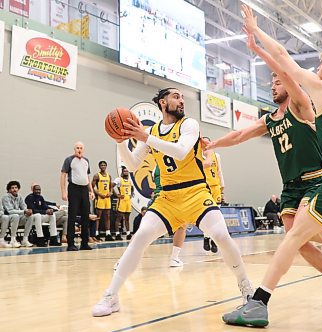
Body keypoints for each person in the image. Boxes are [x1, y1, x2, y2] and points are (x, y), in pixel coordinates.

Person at [222, 6, 322, 326]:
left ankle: (258, 303)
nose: (316, 68)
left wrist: (256, 31)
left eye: (319, 64)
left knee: (294, 236)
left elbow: (283, 57)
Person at [92, 87, 253, 317]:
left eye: (182, 97)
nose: (181, 101)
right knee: (140, 236)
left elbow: (180, 152)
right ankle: (111, 296)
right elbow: (134, 165)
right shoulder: (152, 131)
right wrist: (120, 141)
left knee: (221, 235)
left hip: (196, 192)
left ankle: (246, 287)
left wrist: (145, 137)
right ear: (162, 102)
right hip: (167, 197)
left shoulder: (189, 125)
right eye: (175, 97)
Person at [60, 141, 95, 251]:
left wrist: (91, 191)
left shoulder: (86, 161)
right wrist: (63, 192)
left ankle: (84, 242)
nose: (79, 150)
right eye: (77, 148)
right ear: (74, 149)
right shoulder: (69, 160)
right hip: (73, 188)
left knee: (86, 215)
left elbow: (87, 177)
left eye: (81, 148)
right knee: (72, 215)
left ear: (83, 149)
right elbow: (63, 175)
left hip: (84, 189)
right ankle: (71, 243)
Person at [151, 165, 186, 267]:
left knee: (144, 231)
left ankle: (123, 260)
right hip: (174, 197)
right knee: (181, 227)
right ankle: (174, 258)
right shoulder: (177, 161)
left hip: (159, 198)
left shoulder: (155, 167)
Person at [202, 143, 225, 254]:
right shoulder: (196, 156)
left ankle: (214, 240)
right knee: (207, 216)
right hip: (203, 189)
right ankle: (206, 237)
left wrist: (222, 188)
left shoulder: (217, 156)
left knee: (216, 216)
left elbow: (219, 171)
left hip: (216, 188)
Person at [1, 181, 35, 247]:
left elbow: (24, 207)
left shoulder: (19, 196)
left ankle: (25, 239)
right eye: (12, 188)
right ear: (9, 190)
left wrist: (28, 211)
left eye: (16, 187)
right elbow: (10, 211)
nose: (14, 189)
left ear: (18, 189)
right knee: (15, 216)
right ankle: (13, 240)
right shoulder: (5, 197)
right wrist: (24, 212)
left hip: (17, 217)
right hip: (7, 218)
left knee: (30, 216)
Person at [92, 160, 114, 242]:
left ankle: (108, 233)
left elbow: (111, 186)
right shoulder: (96, 176)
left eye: (104, 165)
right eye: (101, 165)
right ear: (99, 166)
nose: (103, 166)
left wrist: (111, 192)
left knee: (107, 216)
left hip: (107, 198)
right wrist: (99, 194)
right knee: (98, 216)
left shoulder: (109, 176)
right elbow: (92, 187)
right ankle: (96, 233)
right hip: (100, 198)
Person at [113, 166, 134, 240]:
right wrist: (117, 195)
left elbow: (132, 188)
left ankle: (128, 234)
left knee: (127, 218)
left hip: (128, 200)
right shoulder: (118, 179)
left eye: (127, 171)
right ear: (122, 172)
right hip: (121, 201)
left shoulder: (130, 180)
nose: (126, 172)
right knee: (119, 218)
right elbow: (111, 186)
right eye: (125, 171)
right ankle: (117, 234)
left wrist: (131, 194)